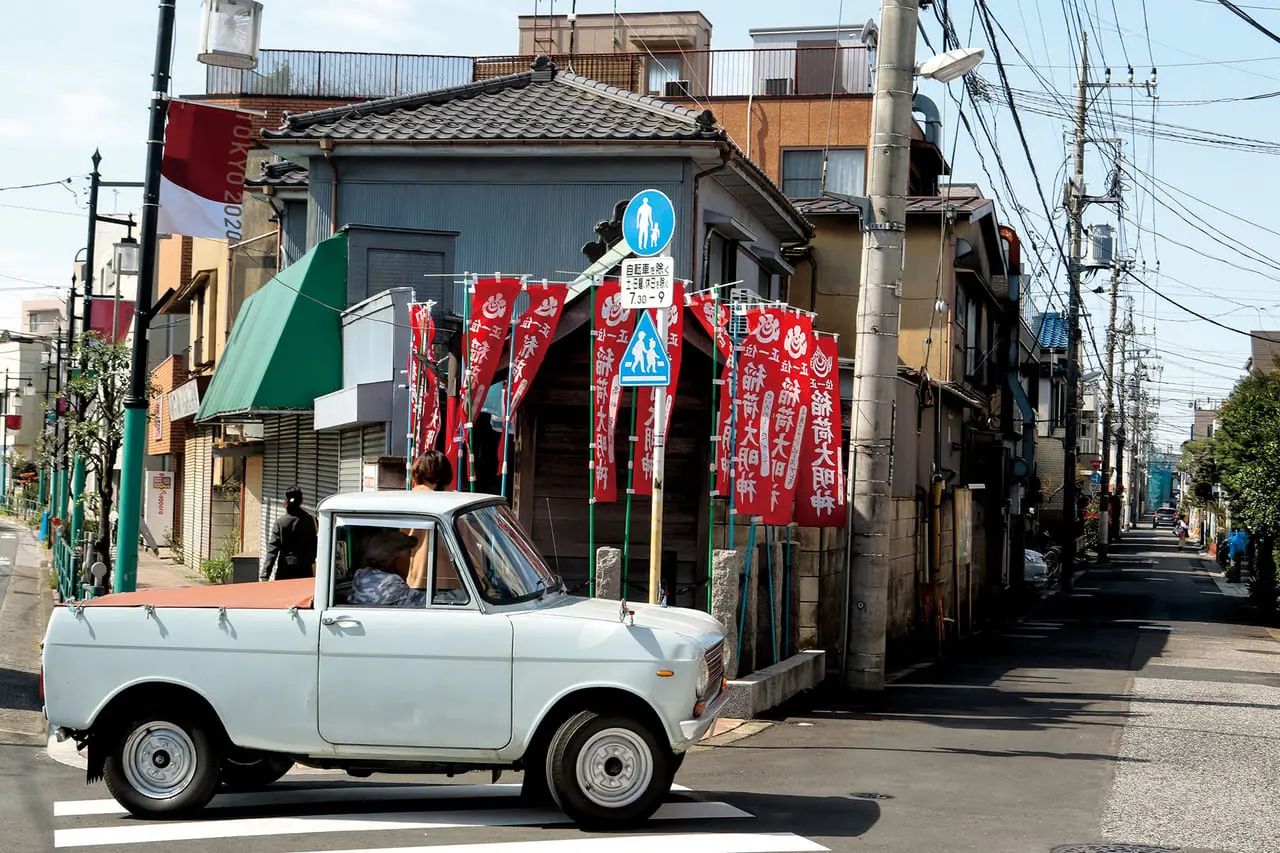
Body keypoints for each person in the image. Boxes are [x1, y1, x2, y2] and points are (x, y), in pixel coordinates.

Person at [347, 529, 425, 607]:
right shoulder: (390, 583)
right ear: (396, 559)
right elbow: (426, 603)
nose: (410, 559)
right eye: (409, 553)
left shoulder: (362, 575)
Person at [259, 487, 318, 581]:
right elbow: (316, 544)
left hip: (285, 570)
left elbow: (272, 550)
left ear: (285, 502)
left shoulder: (280, 523)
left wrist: (265, 575)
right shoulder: (311, 520)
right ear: (302, 500)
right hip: (305, 570)